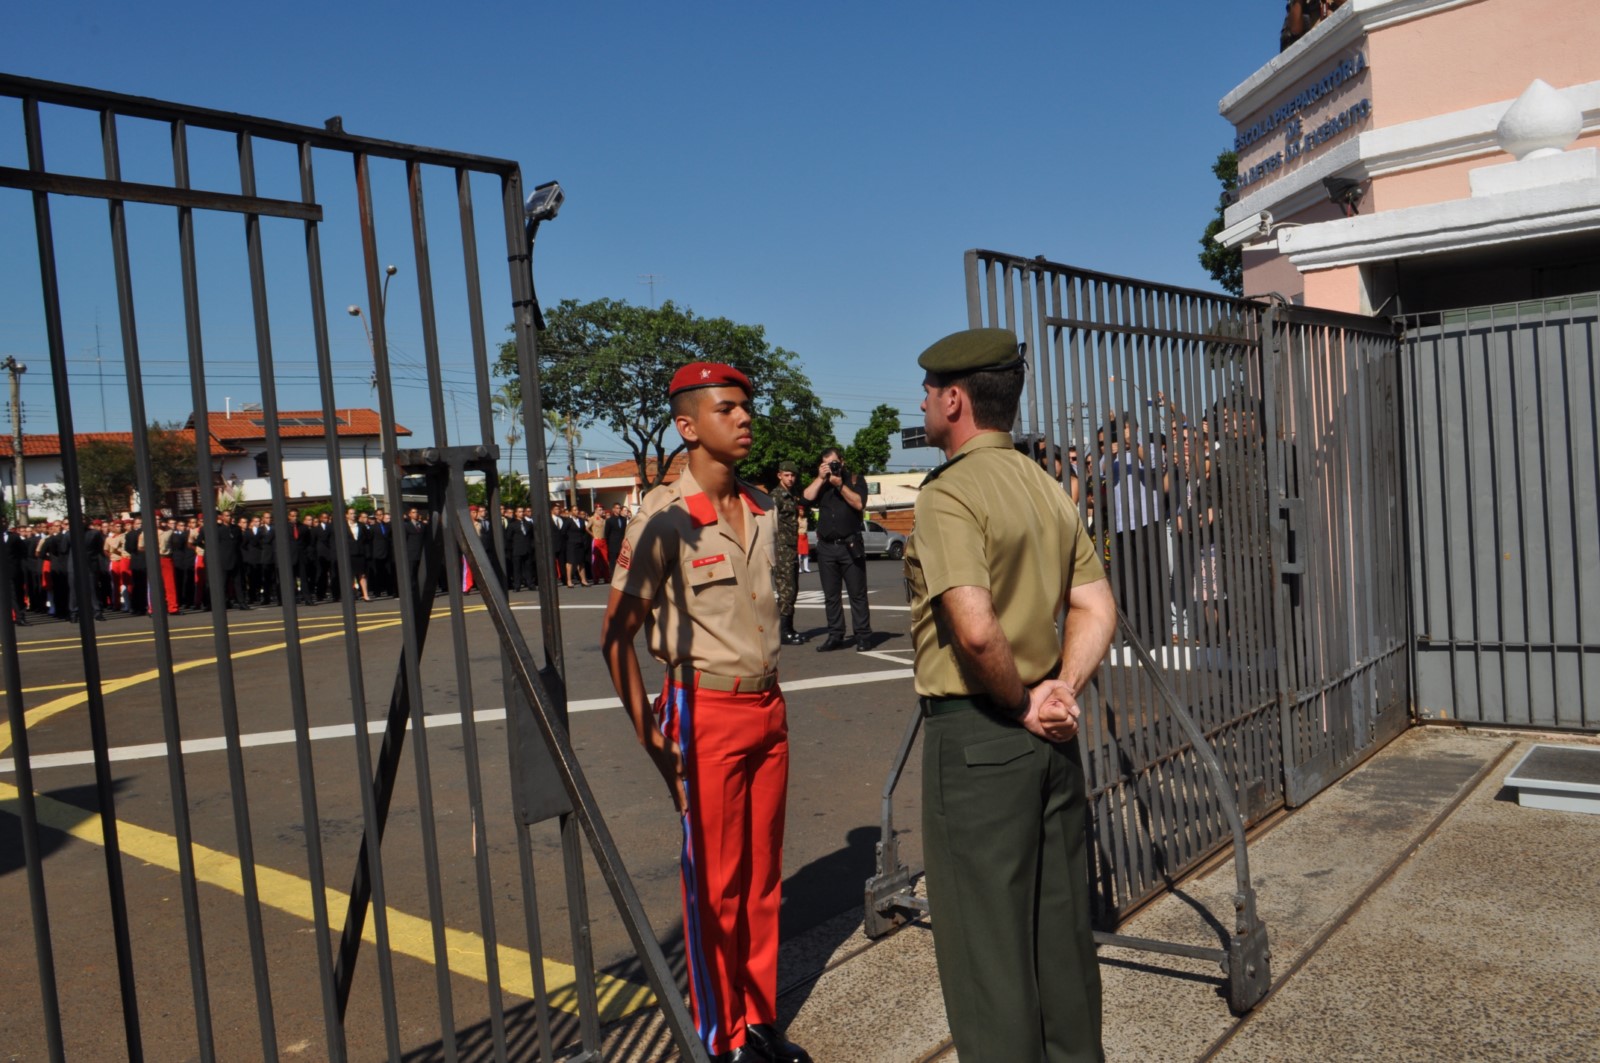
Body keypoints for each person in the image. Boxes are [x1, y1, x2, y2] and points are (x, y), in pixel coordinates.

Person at [904, 328, 1116, 1063]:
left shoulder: (949, 493)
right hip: (1054, 740)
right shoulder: (1045, 486)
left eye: (929, 391)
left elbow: (976, 629)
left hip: (980, 734)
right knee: (1060, 940)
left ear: (955, 399)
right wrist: (1061, 689)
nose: (924, 402)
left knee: (987, 957)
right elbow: (1097, 606)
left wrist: (1023, 702)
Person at [600, 362, 810, 1063]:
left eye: (747, 406)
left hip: (767, 706)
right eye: (728, 408)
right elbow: (615, 637)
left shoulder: (761, 508)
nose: (746, 417)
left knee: (760, 879)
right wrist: (654, 741)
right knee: (715, 885)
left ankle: (757, 1023)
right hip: (703, 708)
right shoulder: (663, 518)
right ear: (688, 426)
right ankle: (720, 1042)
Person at [801, 447, 872, 651]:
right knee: (831, 595)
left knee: (857, 593)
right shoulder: (822, 484)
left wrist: (840, 485)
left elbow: (859, 504)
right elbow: (805, 498)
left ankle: (863, 635)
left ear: (842, 461)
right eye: (827, 464)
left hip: (850, 545)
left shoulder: (856, 480)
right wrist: (820, 477)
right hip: (826, 547)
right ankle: (836, 635)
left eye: (834, 463)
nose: (832, 467)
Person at [771, 461, 806, 645]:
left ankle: (788, 627)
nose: (790, 478)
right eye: (787, 475)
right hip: (781, 549)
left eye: (793, 475)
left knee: (793, 590)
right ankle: (782, 631)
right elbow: (768, 522)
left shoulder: (791, 495)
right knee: (786, 590)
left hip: (791, 549)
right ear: (779, 475)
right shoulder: (776, 496)